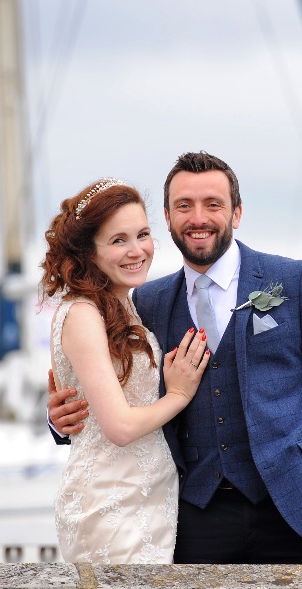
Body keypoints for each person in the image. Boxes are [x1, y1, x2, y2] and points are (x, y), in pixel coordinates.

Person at [48, 151, 302, 564]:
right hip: (193, 519)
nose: (198, 218)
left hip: (298, 511)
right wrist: (60, 419)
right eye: (184, 206)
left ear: (236, 213)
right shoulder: (146, 302)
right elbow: (115, 391)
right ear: (168, 218)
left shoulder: (296, 282)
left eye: (213, 204)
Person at [39, 178, 209, 564]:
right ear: (88, 251)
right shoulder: (82, 314)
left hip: (154, 498)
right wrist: (179, 394)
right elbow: (118, 427)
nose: (137, 251)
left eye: (143, 235)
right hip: (111, 506)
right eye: (119, 240)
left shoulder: (130, 303)